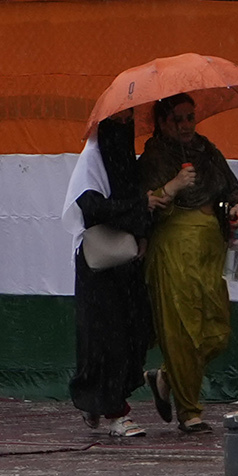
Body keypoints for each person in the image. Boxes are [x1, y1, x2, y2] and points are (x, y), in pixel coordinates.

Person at [116, 93, 238, 432]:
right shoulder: (154, 157)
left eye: (191, 117)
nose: (187, 125)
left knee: (216, 331)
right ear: (162, 123)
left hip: (209, 249)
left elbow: (232, 189)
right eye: (179, 118)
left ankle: (166, 376)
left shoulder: (207, 151)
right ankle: (190, 413)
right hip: (173, 249)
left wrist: (237, 208)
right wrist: (173, 187)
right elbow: (143, 203)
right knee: (182, 330)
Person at [67, 116, 160, 441]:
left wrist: (142, 233)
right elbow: (92, 208)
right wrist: (139, 205)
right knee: (107, 338)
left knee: (134, 332)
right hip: (100, 267)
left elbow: (131, 197)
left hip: (128, 262)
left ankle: (96, 399)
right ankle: (117, 413)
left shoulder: (124, 163)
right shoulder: (92, 162)